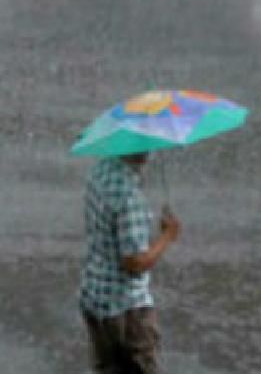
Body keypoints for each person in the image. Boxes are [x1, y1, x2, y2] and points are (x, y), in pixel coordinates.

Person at [79, 152, 180, 374]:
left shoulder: (100, 171)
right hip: (126, 309)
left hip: (95, 297)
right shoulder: (128, 197)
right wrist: (167, 236)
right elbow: (134, 262)